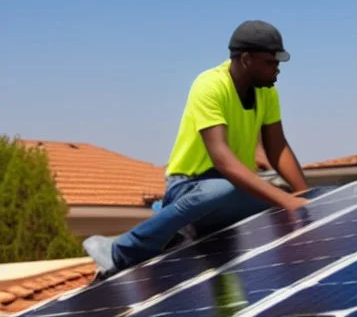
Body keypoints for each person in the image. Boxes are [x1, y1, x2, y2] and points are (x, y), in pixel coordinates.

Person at [83, 20, 311, 280]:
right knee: (230, 190)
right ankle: (119, 249)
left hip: (234, 189)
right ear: (247, 59)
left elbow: (277, 148)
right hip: (190, 186)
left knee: (282, 196)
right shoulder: (209, 85)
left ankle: (182, 235)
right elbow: (222, 160)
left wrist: (304, 196)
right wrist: (288, 201)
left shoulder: (267, 93)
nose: (277, 70)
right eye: (271, 62)